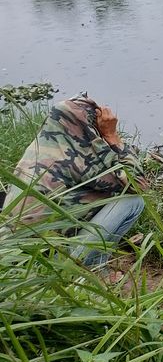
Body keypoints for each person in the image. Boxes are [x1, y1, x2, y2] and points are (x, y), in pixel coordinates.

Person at [5, 96, 144, 269]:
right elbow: (137, 183)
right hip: (47, 263)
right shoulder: (82, 156)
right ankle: (93, 266)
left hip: (12, 253)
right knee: (133, 202)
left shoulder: (40, 147)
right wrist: (111, 135)